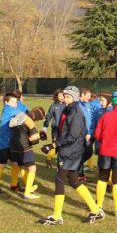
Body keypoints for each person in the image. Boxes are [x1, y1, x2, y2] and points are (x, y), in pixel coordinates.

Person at [39, 86, 104, 225]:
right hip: (69, 150)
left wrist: (53, 145)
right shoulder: (68, 109)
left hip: (71, 151)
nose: (64, 98)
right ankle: (95, 210)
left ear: (74, 97)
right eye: (64, 96)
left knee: (59, 180)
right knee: (73, 180)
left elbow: (72, 135)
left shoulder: (76, 112)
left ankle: (57, 217)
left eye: (67, 97)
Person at [0, 92, 26, 194]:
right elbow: (22, 111)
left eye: (16, 101)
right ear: (6, 102)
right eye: (13, 102)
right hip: (3, 143)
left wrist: (19, 100)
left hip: (11, 142)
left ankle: (14, 185)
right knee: (2, 164)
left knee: (15, 164)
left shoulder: (13, 107)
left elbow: (20, 108)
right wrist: (29, 112)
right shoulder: (8, 110)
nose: (16, 103)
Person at [9, 110, 41, 199]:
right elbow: (33, 139)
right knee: (32, 168)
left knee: (21, 166)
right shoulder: (29, 120)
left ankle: (23, 186)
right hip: (24, 148)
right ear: (36, 117)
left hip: (12, 146)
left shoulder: (18, 115)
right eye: (38, 119)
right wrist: (39, 136)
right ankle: (27, 193)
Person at [40, 89, 65, 169]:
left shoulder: (68, 105)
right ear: (56, 96)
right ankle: (49, 159)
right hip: (56, 130)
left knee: (63, 147)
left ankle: (60, 165)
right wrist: (44, 128)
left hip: (65, 130)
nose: (62, 97)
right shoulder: (54, 105)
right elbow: (48, 117)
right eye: (60, 95)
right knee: (55, 145)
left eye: (63, 95)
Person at [77, 87, 95, 182]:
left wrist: (90, 132)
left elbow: (90, 117)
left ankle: (75, 166)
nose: (89, 97)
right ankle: (79, 174)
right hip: (81, 134)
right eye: (88, 95)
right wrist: (84, 133)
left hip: (89, 134)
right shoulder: (77, 105)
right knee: (81, 153)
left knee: (89, 152)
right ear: (82, 95)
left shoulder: (88, 104)